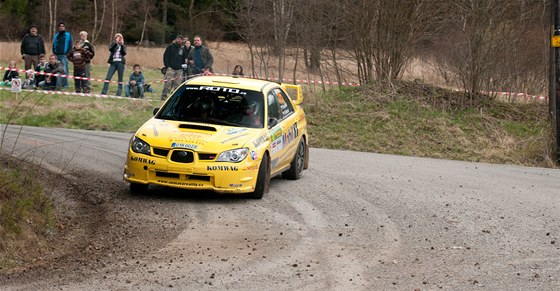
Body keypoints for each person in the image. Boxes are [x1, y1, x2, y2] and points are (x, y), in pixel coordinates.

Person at [161, 35, 186, 100]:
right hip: (171, 69)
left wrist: (182, 67)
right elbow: (165, 57)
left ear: (182, 41)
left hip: (179, 70)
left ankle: (175, 98)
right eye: (178, 39)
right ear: (176, 39)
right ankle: (164, 97)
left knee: (177, 85)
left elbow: (183, 59)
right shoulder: (170, 47)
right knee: (167, 83)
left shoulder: (182, 49)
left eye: (181, 39)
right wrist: (167, 66)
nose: (179, 40)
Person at [52, 22, 73, 89]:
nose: (61, 27)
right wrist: (54, 52)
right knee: (57, 70)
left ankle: (66, 85)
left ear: (64, 27)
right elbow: (54, 45)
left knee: (65, 70)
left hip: (64, 55)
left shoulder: (68, 35)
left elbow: (70, 45)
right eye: (60, 26)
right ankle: (58, 84)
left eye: (62, 26)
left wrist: (67, 53)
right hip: (57, 55)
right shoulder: (56, 35)